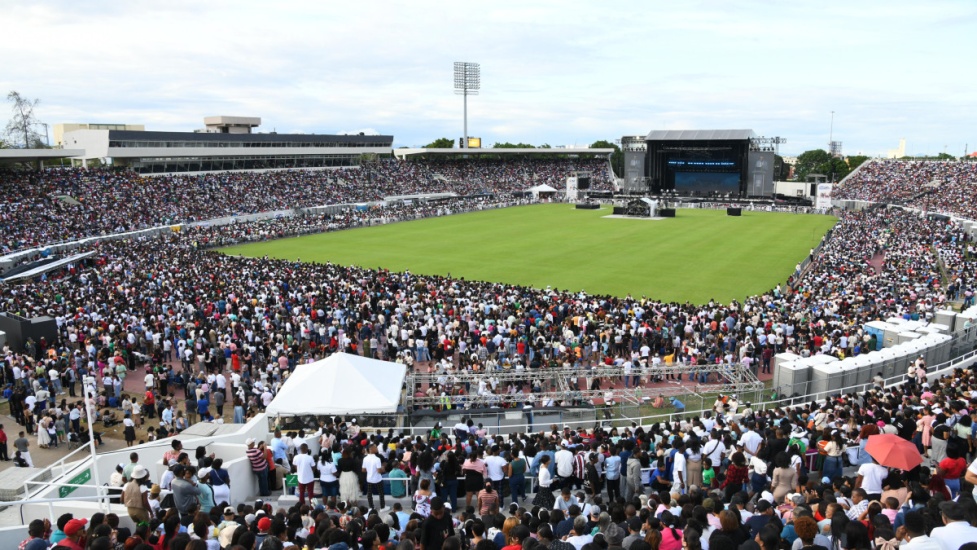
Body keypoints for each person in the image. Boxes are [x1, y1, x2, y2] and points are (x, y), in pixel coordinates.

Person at [362, 443, 386, 510]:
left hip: (369, 478)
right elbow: (379, 471)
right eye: (375, 447)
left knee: (369, 494)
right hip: (377, 479)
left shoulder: (365, 458)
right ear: (371, 449)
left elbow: (363, 470)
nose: (377, 448)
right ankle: (382, 507)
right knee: (381, 493)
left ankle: (371, 507)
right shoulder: (377, 459)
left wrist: (370, 470)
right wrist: (382, 469)